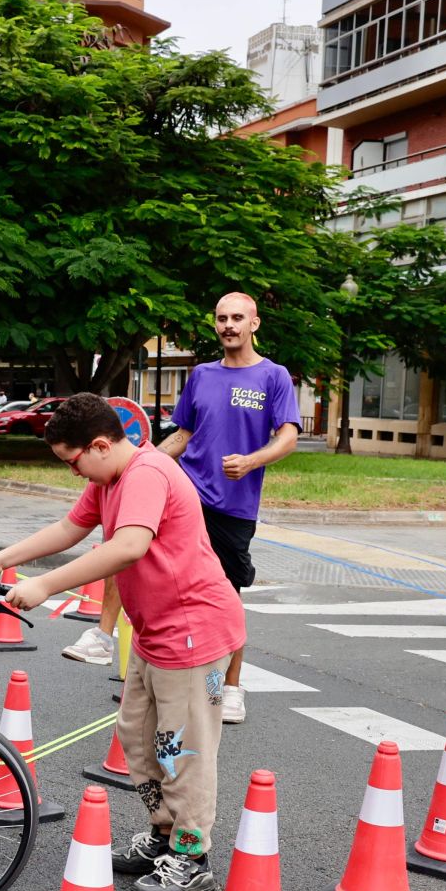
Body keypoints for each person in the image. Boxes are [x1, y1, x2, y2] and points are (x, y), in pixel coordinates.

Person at [0, 396, 245, 891]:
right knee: (139, 740)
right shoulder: (108, 480)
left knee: (183, 751)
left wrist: (45, 587)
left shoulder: (147, 474)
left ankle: (191, 856)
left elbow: (127, 547)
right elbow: (67, 530)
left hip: (194, 631)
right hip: (154, 631)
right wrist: (1, 558)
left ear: (100, 444)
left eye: (73, 461)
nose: (74, 473)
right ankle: (164, 837)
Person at [157, 292, 300, 725]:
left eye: (238, 318)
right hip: (188, 495)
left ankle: (228, 688)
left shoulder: (273, 376)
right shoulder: (201, 374)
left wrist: (252, 460)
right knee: (164, 582)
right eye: (222, 319)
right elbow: (183, 434)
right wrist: (143, 463)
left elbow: (289, 436)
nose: (229, 325)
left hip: (235, 508)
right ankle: (153, 671)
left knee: (224, 599)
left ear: (254, 324)